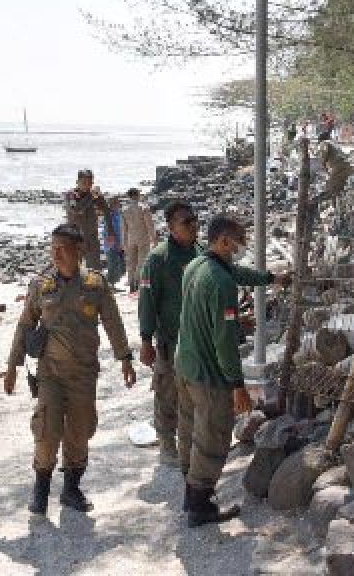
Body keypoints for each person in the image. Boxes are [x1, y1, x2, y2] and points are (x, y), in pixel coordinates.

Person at [4, 223, 136, 514]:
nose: (57, 254)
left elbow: (113, 323)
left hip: (83, 374)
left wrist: (125, 358)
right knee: (47, 432)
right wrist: (12, 365)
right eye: (53, 248)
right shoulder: (41, 285)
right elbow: (25, 324)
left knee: (80, 431)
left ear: (81, 251)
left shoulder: (95, 285)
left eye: (64, 249)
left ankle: (71, 489)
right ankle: (40, 491)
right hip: (49, 374)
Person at [138, 202, 275, 463]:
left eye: (195, 221)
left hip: (199, 341)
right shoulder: (158, 259)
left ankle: (189, 452)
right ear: (170, 227)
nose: (193, 226)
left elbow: (232, 272)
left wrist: (267, 278)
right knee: (167, 394)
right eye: (186, 222)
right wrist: (146, 339)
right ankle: (168, 444)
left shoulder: (201, 252)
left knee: (191, 399)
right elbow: (147, 301)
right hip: (171, 338)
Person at [175, 215, 290, 525]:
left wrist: (270, 279)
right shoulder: (221, 283)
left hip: (184, 365)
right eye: (239, 239)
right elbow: (225, 342)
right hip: (207, 373)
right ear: (224, 241)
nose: (242, 245)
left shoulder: (197, 265)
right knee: (213, 437)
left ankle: (191, 493)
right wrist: (237, 385)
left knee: (191, 431)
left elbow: (235, 271)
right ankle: (200, 507)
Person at [64, 170, 105, 271]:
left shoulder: (94, 196)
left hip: (92, 238)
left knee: (95, 270)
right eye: (84, 183)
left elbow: (105, 210)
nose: (87, 186)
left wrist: (100, 198)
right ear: (77, 182)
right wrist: (91, 196)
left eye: (90, 183)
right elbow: (76, 209)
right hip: (75, 238)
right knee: (74, 268)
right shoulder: (71, 195)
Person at [122, 188, 156, 291]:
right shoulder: (143, 208)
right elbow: (149, 225)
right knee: (142, 261)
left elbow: (123, 228)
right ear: (137, 195)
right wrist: (154, 239)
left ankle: (132, 283)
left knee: (131, 262)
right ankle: (138, 281)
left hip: (130, 237)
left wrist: (124, 242)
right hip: (142, 237)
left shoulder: (125, 210)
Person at [315, 139, 354, 203]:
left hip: (339, 167)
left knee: (331, 188)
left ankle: (334, 206)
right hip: (347, 166)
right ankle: (340, 205)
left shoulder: (324, 144)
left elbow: (323, 157)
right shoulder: (333, 143)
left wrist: (324, 167)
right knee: (340, 188)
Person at [103, 195, 125, 284]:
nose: (118, 205)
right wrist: (116, 244)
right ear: (111, 205)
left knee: (121, 268)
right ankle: (109, 286)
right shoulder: (110, 216)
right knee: (113, 267)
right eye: (116, 203)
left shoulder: (119, 215)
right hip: (112, 245)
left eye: (118, 203)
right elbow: (110, 232)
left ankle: (111, 285)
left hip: (119, 244)